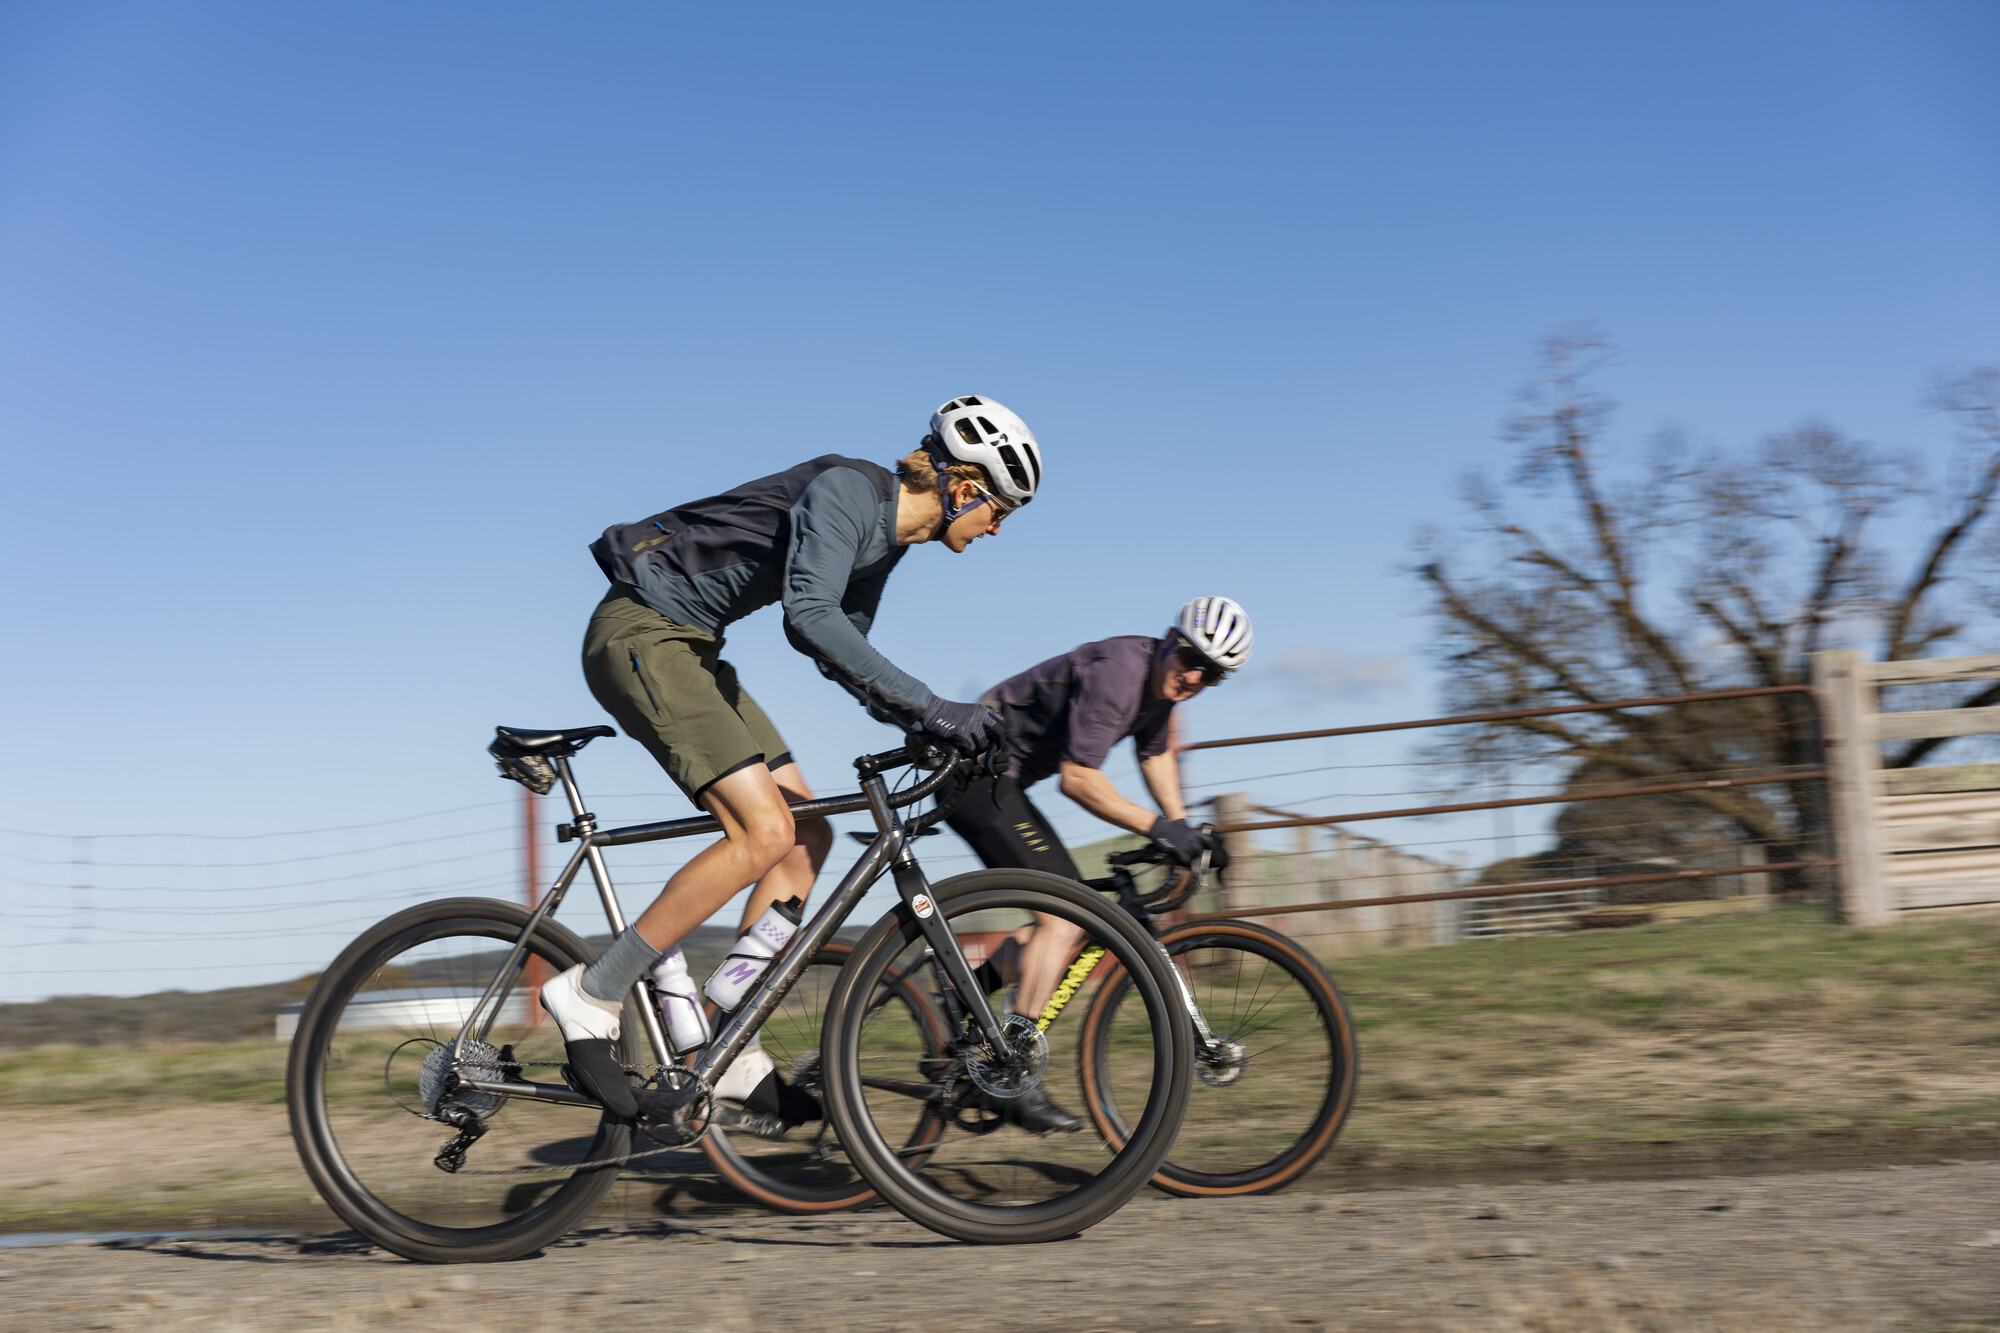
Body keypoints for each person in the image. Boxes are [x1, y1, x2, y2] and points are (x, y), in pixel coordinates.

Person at [539, 396, 1043, 1132]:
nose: (996, 528)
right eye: (999, 511)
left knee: (808, 836)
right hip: (641, 632)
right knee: (764, 832)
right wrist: (936, 706)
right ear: (965, 488)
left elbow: (847, 654)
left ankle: (725, 1039)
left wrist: (930, 727)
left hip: (695, 646)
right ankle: (594, 990)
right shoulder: (848, 490)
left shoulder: (890, 539)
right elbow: (809, 614)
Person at [941, 596, 1253, 1133]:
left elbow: (1154, 755)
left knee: (1068, 926)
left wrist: (1185, 829)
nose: (1194, 677)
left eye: (1212, 675)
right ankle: (1007, 1073)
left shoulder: (1162, 689)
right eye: (1189, 659)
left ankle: (959, 997)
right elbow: (1079, 779)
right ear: (1170, 641)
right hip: (974, 777)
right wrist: (1161, 830)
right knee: (1063, 918)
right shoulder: (1120, 674)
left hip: (1001, 783)